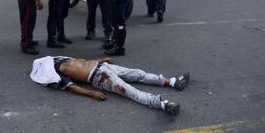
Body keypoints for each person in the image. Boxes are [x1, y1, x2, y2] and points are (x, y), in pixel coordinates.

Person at [30, 56, 189, 116]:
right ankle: (163, 104)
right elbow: (71, 87)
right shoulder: (57, 75)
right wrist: (92, 94)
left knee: (138, 74)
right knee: (129, 91)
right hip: (99, 77)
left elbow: (84, 62)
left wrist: (101, 60)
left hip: (103, 68)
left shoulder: (60, 60)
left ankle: (173, 81)